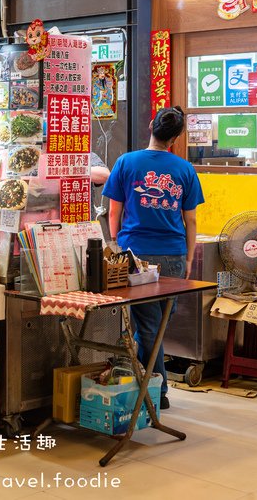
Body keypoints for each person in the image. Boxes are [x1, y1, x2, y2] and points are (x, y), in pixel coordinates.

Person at [102, 106, 204, 409]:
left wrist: (118, 247)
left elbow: (114, 212)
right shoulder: (184, 169)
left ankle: (149, 388)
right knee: (154, 325)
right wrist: (188, 258)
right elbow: (192, 221)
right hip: (173, 254)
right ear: (174, 138)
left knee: (150, 326)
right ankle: (156, 392)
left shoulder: (125, 163)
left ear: (150, 126)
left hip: (136, 255)